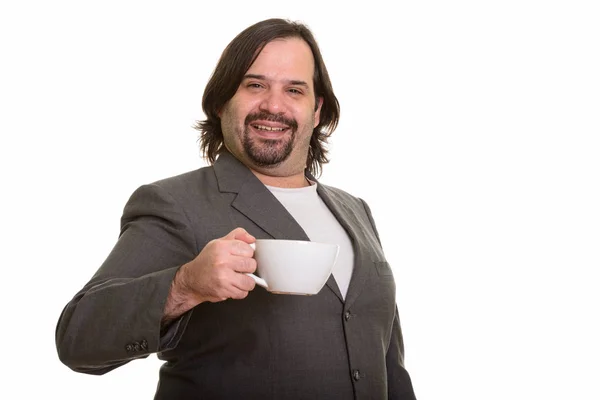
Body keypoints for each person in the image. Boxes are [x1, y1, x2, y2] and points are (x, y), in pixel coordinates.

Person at [55, 18, 417, 400]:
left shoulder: (355, 210)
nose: (273, 105)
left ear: (316, 110)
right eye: (255, 85)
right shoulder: (176, 203)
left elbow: (388, 362)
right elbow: (78, 338)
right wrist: (185, 284)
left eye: (294, 89)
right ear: (221, 100)